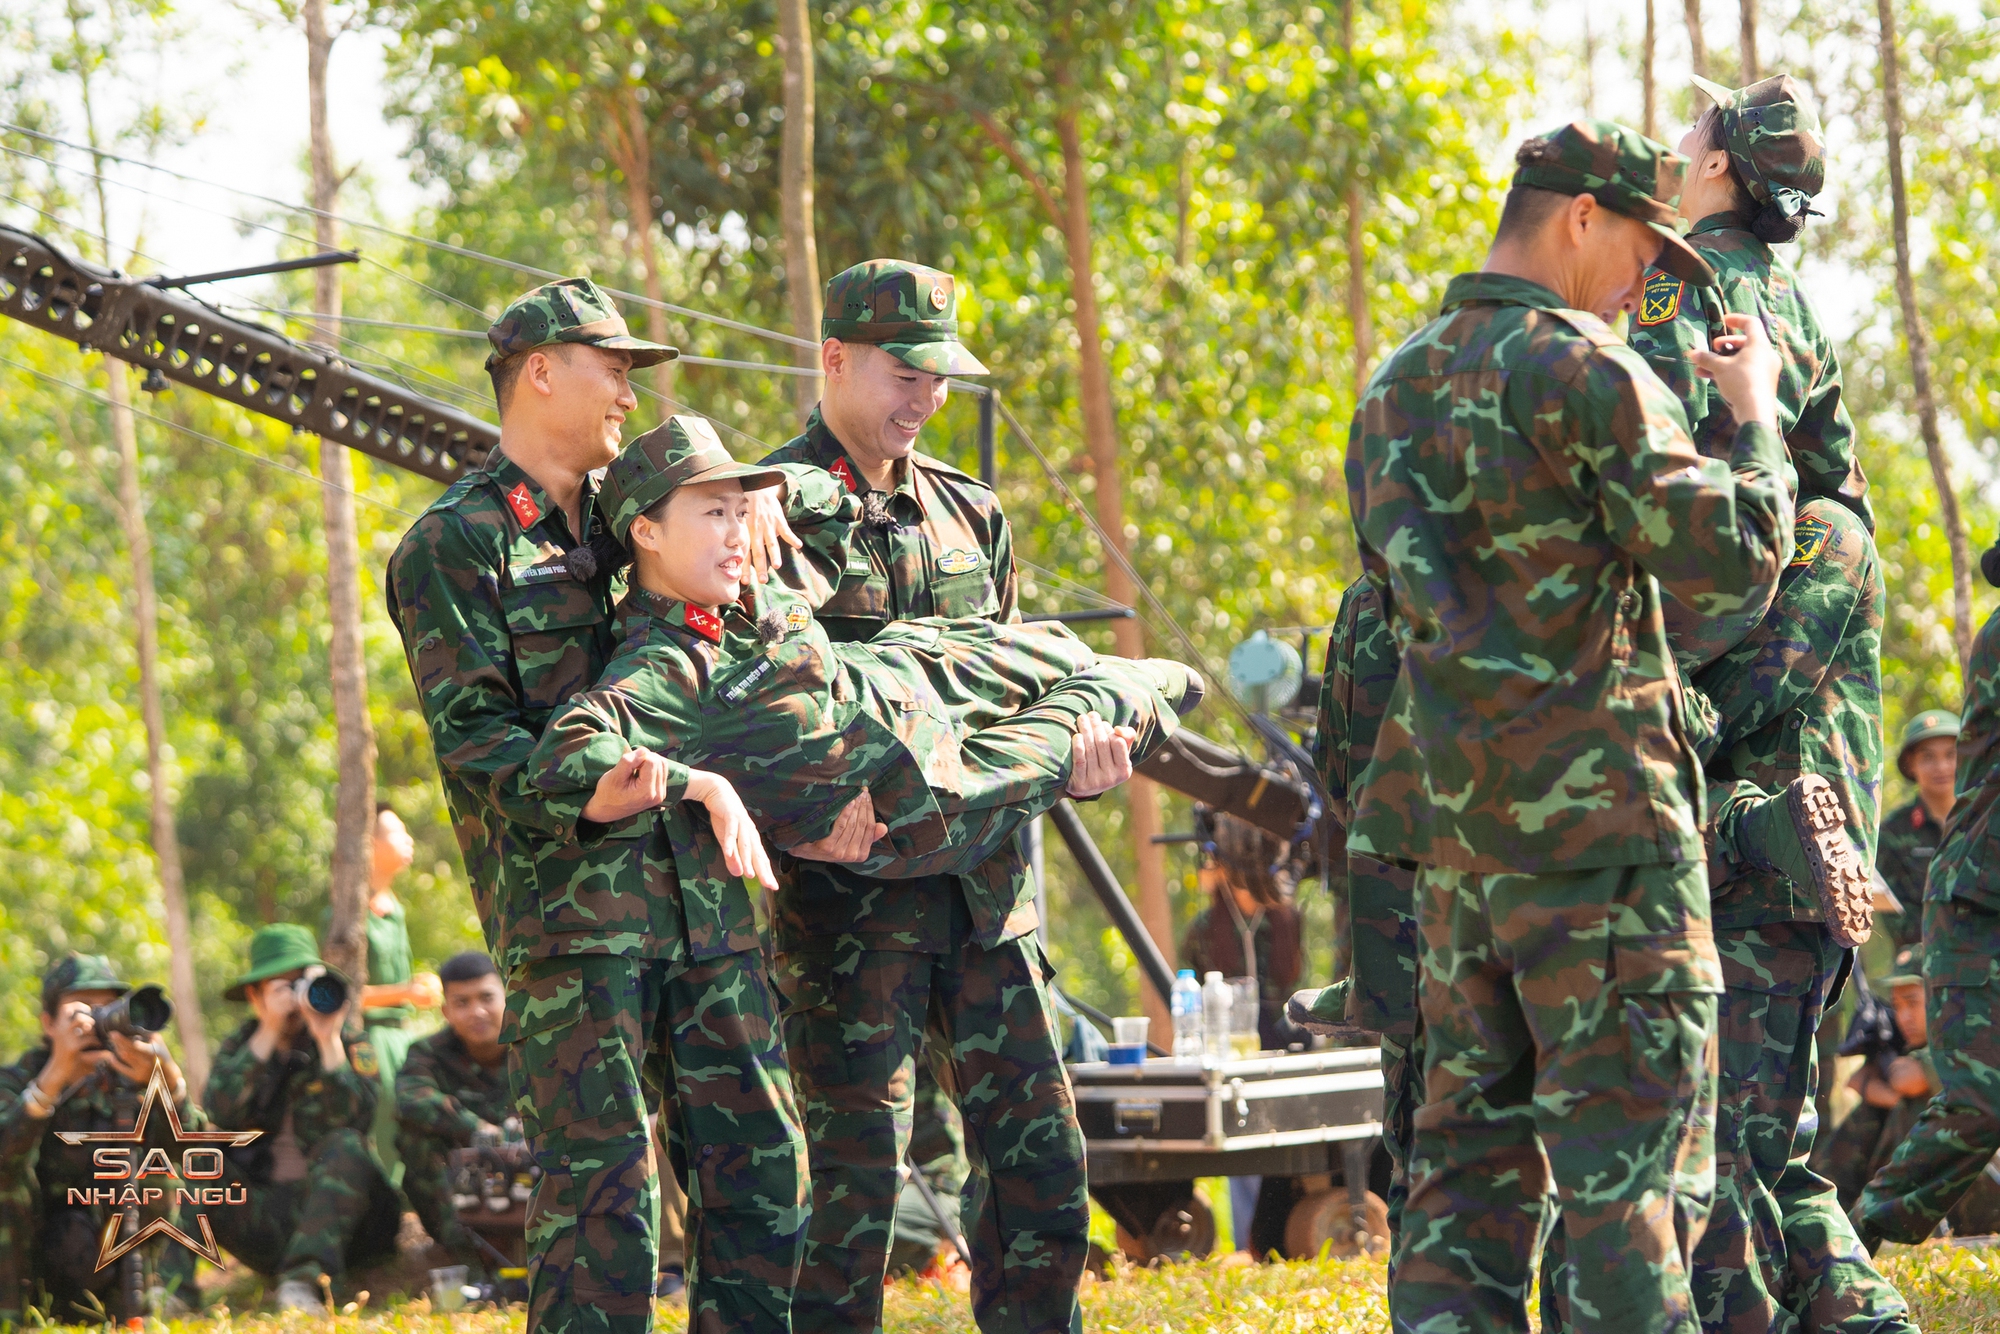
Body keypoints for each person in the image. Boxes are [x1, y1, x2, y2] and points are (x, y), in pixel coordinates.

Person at [1345, 119, 1795, 1332]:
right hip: (1601, 847)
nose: (1651, 276)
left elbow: (1400, 604)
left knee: (1459, 1183)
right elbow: (1735, 564)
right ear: (1578, 217)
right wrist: (1749, 417)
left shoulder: (1393, 384)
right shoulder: (1580, 367)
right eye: (1646, 245)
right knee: (1624, 1188)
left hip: (1457, 856)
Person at [386, 276, 810, 1334]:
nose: (627, 390)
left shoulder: (636, 514)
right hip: (574, 926)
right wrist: (589, 791)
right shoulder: (456, 542)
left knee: (762, 1177)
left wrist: (753, 498)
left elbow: (733, 564)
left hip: (702, 903)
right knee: (604, 1213)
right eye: (611, 366)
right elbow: (473, 736)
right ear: (539, 371)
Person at [1617, 74, 1912, 1334]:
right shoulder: (1800, 308)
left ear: (1725, 168)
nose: (1674, 151)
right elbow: (1819, 494)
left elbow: (1690, 517)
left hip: (1744, 814)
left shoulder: (1685, 283)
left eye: (1690, 138)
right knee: (1768, 1141)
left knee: (1720, 1151)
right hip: (1809, 808)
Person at [756, 259, 1093, 1334]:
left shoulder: (968, 514)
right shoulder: (763, 511)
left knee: (1043, 1168)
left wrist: (1069, 751)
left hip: (985, 893)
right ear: (836, 359)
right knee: (849, 1194)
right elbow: (740, 699)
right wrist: (796, 808)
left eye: (941, 377)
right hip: (851, 909)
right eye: (906, 372)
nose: (925, 397)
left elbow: (998, 686)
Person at [526, 414, 1196, 884]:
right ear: (646, 532)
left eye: (740, 512)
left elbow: (840, 499)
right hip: (932, 793)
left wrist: (779, 491)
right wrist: (703, 787)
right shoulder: (661, 667)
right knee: (1135, 693)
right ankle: (1142, 686)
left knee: (1057, 648)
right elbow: (566, 752)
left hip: (927, 678)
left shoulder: (759, 574)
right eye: (712, 514)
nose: (736, 534)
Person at [1855, 535, 2000, 1252]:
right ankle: (1844, 1249)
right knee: (1975, 1104)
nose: (1940, 764)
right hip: (1975, 915)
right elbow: (1874, 928)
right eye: (1928, 756)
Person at [1287, 575, 1434, 1278]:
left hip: (1407, 929)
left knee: (1434, 1171)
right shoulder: (1562, 550)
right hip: (1553, 922)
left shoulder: (1372, 593)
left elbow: (1338, 765)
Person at [202, 924, 401, 1311]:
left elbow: (357, 1120)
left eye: (302, 984)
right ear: (254, 995)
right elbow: (220, 1111)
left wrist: (328, 1039)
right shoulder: (241, 1045)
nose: (295, 999)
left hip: (352, 1222)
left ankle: (306, 1283)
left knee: (345, 1143)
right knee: (198, 1161)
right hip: (269, 1218)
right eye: (281, 987)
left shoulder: (350, 1043)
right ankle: (175, 1293)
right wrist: (269, 1032)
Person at [0, 954, 200, 1322]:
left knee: (162, 1172)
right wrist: (54, 1077)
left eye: (108, 1008)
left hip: (110, 1258)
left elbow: (197, 1154)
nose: (97, 1020)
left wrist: (170, 1085)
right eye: (82, 1009)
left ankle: (160, 1298)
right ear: (48, 1023)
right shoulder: (20, 1077)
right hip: (35, 1259)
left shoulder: (130, 1073)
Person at [1180, 809, 1305, 1253]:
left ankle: (1277, 1237)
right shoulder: (1206, 929)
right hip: (1228, 1046)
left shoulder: (1286, 921)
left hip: (1280, 1040)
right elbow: (1190, 991)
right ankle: (1245, 1242)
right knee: (1239, 1143)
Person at [395, 950, 511, 1272]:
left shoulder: (535, 1047)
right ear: (446, 1010)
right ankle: (464, 1257)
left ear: (508, 996)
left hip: (534, 1178)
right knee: (414, 1137)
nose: (477, 1011)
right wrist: (478, 1129)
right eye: (462, 1002)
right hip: (462, 1187)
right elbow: (411, 1099)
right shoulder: (429, 1053)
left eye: (487, 997)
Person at [347, 803, 443, 1187]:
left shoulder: (394, 908)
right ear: (367, 844)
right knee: (381, 1117)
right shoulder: (348, 913)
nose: (408, 840)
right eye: (396, 832)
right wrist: (405, 992)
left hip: (402, 1035)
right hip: (368, 1038)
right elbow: (345, 995)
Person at [1814, 952, 1938, 1212]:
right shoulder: (1905, 1044)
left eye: (1912, 1003)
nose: (1904, 1017)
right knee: (1873, 1111)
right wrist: (1888, 1096)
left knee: (1906, 1105)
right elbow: (1855, 1081)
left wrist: (1893, 1093)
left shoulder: (1955, 1043)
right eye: (1897, 1006)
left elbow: (1908, 1081)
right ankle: (1830, 1202)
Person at [1875, 710, 1961, 950]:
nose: (1941, 767)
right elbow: (1898, 921)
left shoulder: (1987, 820)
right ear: (1910, 764)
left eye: (1951, 755)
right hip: (1923, 966)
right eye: (1928, 757)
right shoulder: (1892, 834)